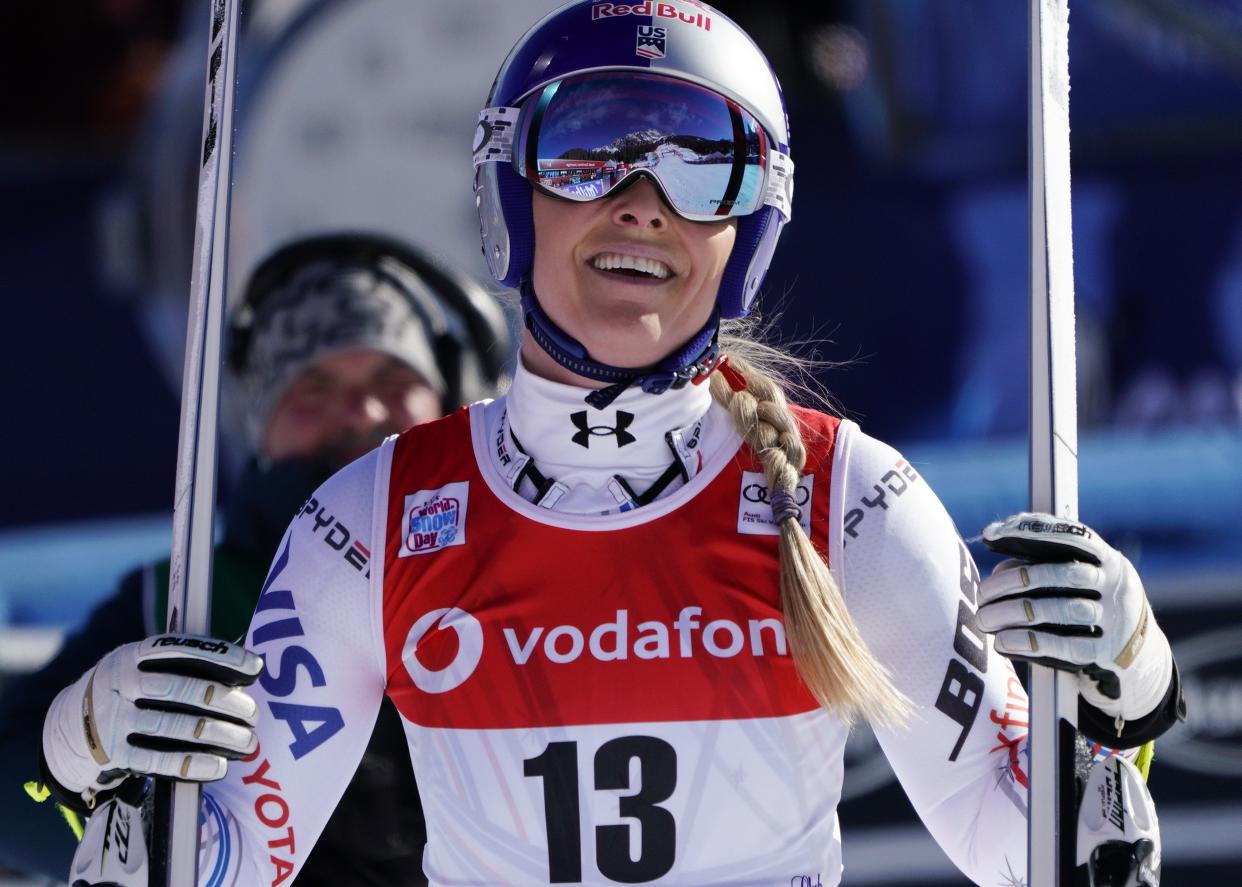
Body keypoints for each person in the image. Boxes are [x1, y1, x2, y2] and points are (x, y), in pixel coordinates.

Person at [41, 3, 1185, 885]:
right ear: (511, 193)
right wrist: (89, 753)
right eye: (588, 149)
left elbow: (1032, 844)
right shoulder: (372, 518)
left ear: (747, 235)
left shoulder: (849, 497)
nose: (642, 201)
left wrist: (1127, 694)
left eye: (702, 163)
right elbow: (227, 854)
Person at [2, 232, 510, 884]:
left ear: (456, 397)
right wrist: (74, 762)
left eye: (392, 378)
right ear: (258, 425)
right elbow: (12, 805)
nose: (359, 410)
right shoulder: (183, 595)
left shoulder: (522, 563)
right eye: (313, 387)